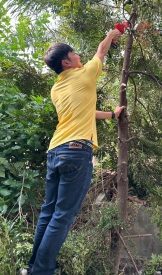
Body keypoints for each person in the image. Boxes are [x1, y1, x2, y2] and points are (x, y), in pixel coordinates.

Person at [21, 29, 124, 275]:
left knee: (49, 212)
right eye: (75, 54)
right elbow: (101, 50)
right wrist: (111, 34)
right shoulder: (84, 75)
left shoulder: (57, 90)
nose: (80, 56)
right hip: (77, 152)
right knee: (63, 216)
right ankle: (41, 271)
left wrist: (111, 114)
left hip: (56, 151)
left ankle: (33, 266)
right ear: (67, 62)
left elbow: (85, 112)